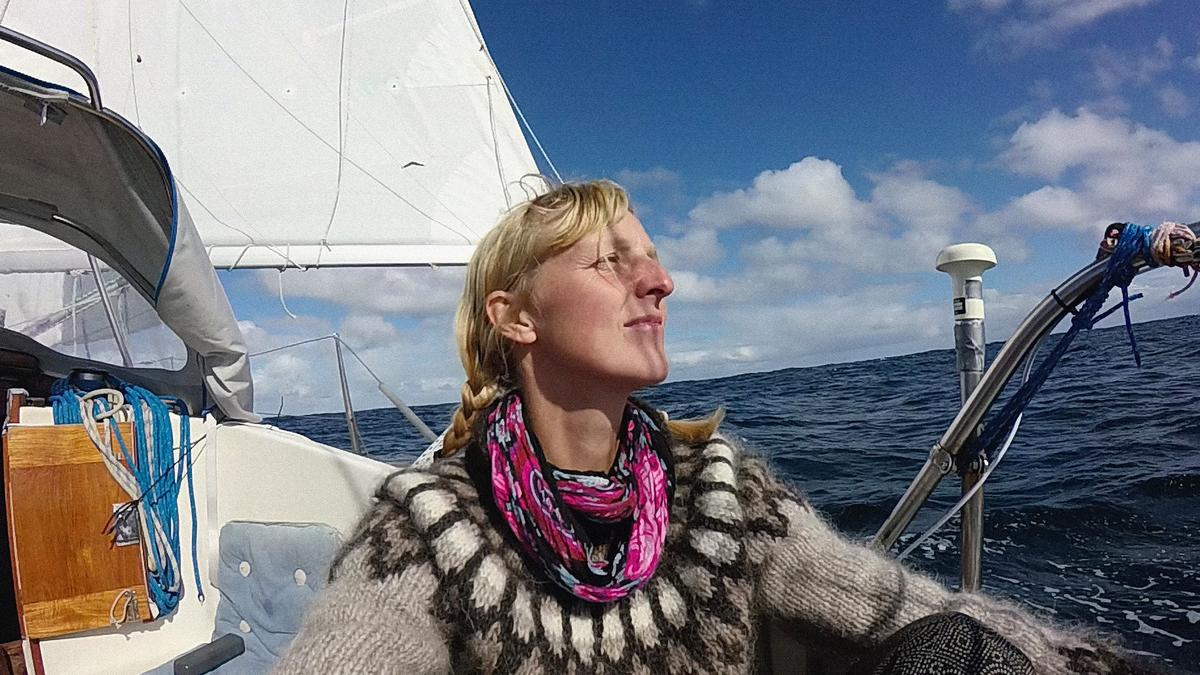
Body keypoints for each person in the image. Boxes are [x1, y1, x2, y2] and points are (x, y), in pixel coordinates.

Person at [278, 180, 1157, 674]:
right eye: (611, 261)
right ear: (517, 318)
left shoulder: (722, 492)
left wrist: (1082, 663)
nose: (658, 281)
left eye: (653, 258)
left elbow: (895, 605)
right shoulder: (428, 530)